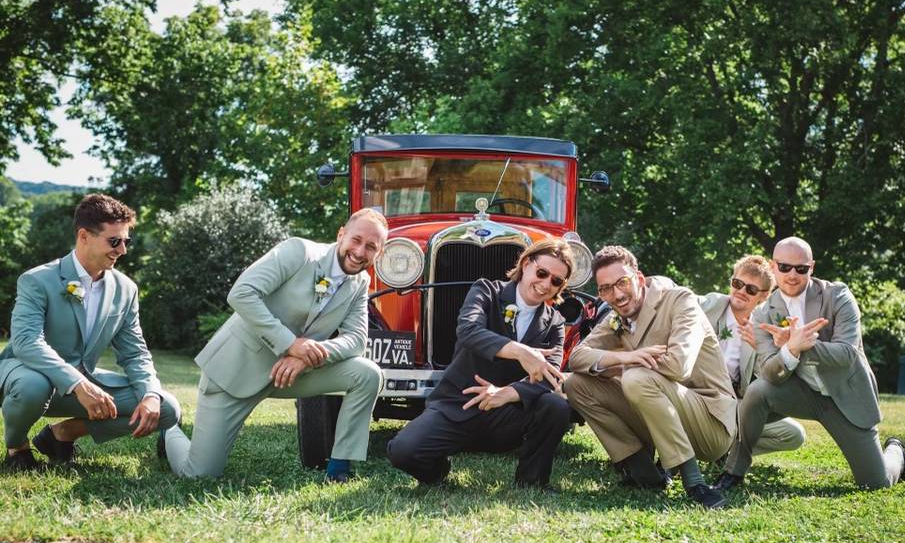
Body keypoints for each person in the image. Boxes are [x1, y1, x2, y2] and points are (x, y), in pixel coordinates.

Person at [160, 208, 387, 481]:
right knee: (198, 474)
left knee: (367, 374)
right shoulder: (299, 252)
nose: (360, 251)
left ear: (379, 253)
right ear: (341, 234)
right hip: (236, 370)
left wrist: (307, 355)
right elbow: (241, 293)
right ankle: (169, 431)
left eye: (371, 247)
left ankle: (340, 468)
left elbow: (357, 339)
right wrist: (290, 344)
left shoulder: (360, 283)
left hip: (291, 374)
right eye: (356, 240)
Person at [715, 237, 905, 491]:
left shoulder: (838, 296)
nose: (792, 275)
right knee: (757, 393)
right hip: (799, 393)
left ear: (811, 267)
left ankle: (896, 451)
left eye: (801, 268)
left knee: (876, 483)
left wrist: (800, 345)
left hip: (844, 397)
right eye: (784, 267)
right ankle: (734, 471)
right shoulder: (763, 313)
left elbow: (848, 354)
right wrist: (789, 350)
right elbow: (771, 372)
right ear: (773, 266)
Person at [1, 193, 181, 471]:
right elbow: (26, 342)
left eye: (126, 241)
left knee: (166, 407)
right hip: (27, 376)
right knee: (33, 386)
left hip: (84, 385)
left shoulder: (126, 289)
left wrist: (149, 394)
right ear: (84, 236)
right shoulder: (37, 280)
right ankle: (17, 448)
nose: (123, 250)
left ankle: (61, 435)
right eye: (114, 241)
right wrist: (78, 383)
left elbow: (135, 353)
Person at [387, 238, 573, 490]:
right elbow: (468, 330)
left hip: (508, 416)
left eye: (556, 281)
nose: (545, 284)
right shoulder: (485, 290)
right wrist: (520, 352)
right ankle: (437, 471)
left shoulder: (554, 322)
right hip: (457, 404)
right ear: (527, 264)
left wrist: (507, 394)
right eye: (542, 273)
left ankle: (532, 481)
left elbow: (551, 375)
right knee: (402, 451)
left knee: (555, 405)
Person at [565, 246, 736, 509]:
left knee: (636, 378)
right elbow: (577, 357)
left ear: (639, 279)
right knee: (577, 384)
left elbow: (679, 366)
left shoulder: (680, 300)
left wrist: (629, 366)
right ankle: (643, 471)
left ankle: (695, 483)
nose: (617, 294)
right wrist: (624, 358)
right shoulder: (616, 317)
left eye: (622, 282)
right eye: (606, 288)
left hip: (709, 423)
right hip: (660, 411)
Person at [698, 255, 805, 458]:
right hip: (697, 395)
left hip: (734, 405)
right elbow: (680, 298)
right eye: (737, 283)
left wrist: (761, 347)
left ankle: (726, 452)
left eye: (751, 289)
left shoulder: (763, 327)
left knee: (794, 434)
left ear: (763, 296)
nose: (741, 291)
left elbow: (767, 379)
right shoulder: (711, 305)